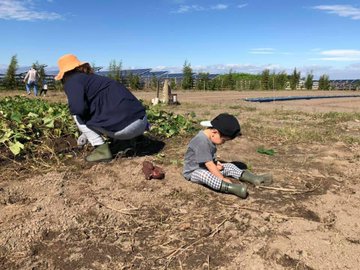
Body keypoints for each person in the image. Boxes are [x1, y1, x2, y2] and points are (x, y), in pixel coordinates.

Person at [55, 54, 149, 162]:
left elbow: (78, 109)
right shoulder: (94, 79)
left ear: (64, 73)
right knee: (108, 110)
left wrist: (87, 131)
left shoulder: (72, 81)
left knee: (76, 115)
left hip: (126, 130)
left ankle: (101, 151)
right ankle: (127, 142)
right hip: (142, 122)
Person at [183, 113, 272, 199]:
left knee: (229, 166)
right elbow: (209, 164)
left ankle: (253, 178)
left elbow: (210, 158)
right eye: (224, 140)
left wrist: (216, 163)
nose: (223, 143)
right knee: (205, 175)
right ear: (215, 132)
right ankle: (232, 188)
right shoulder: (201, 141)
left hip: (206, 166)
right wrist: (222, 178)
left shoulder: (210, 138)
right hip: (194, 171)